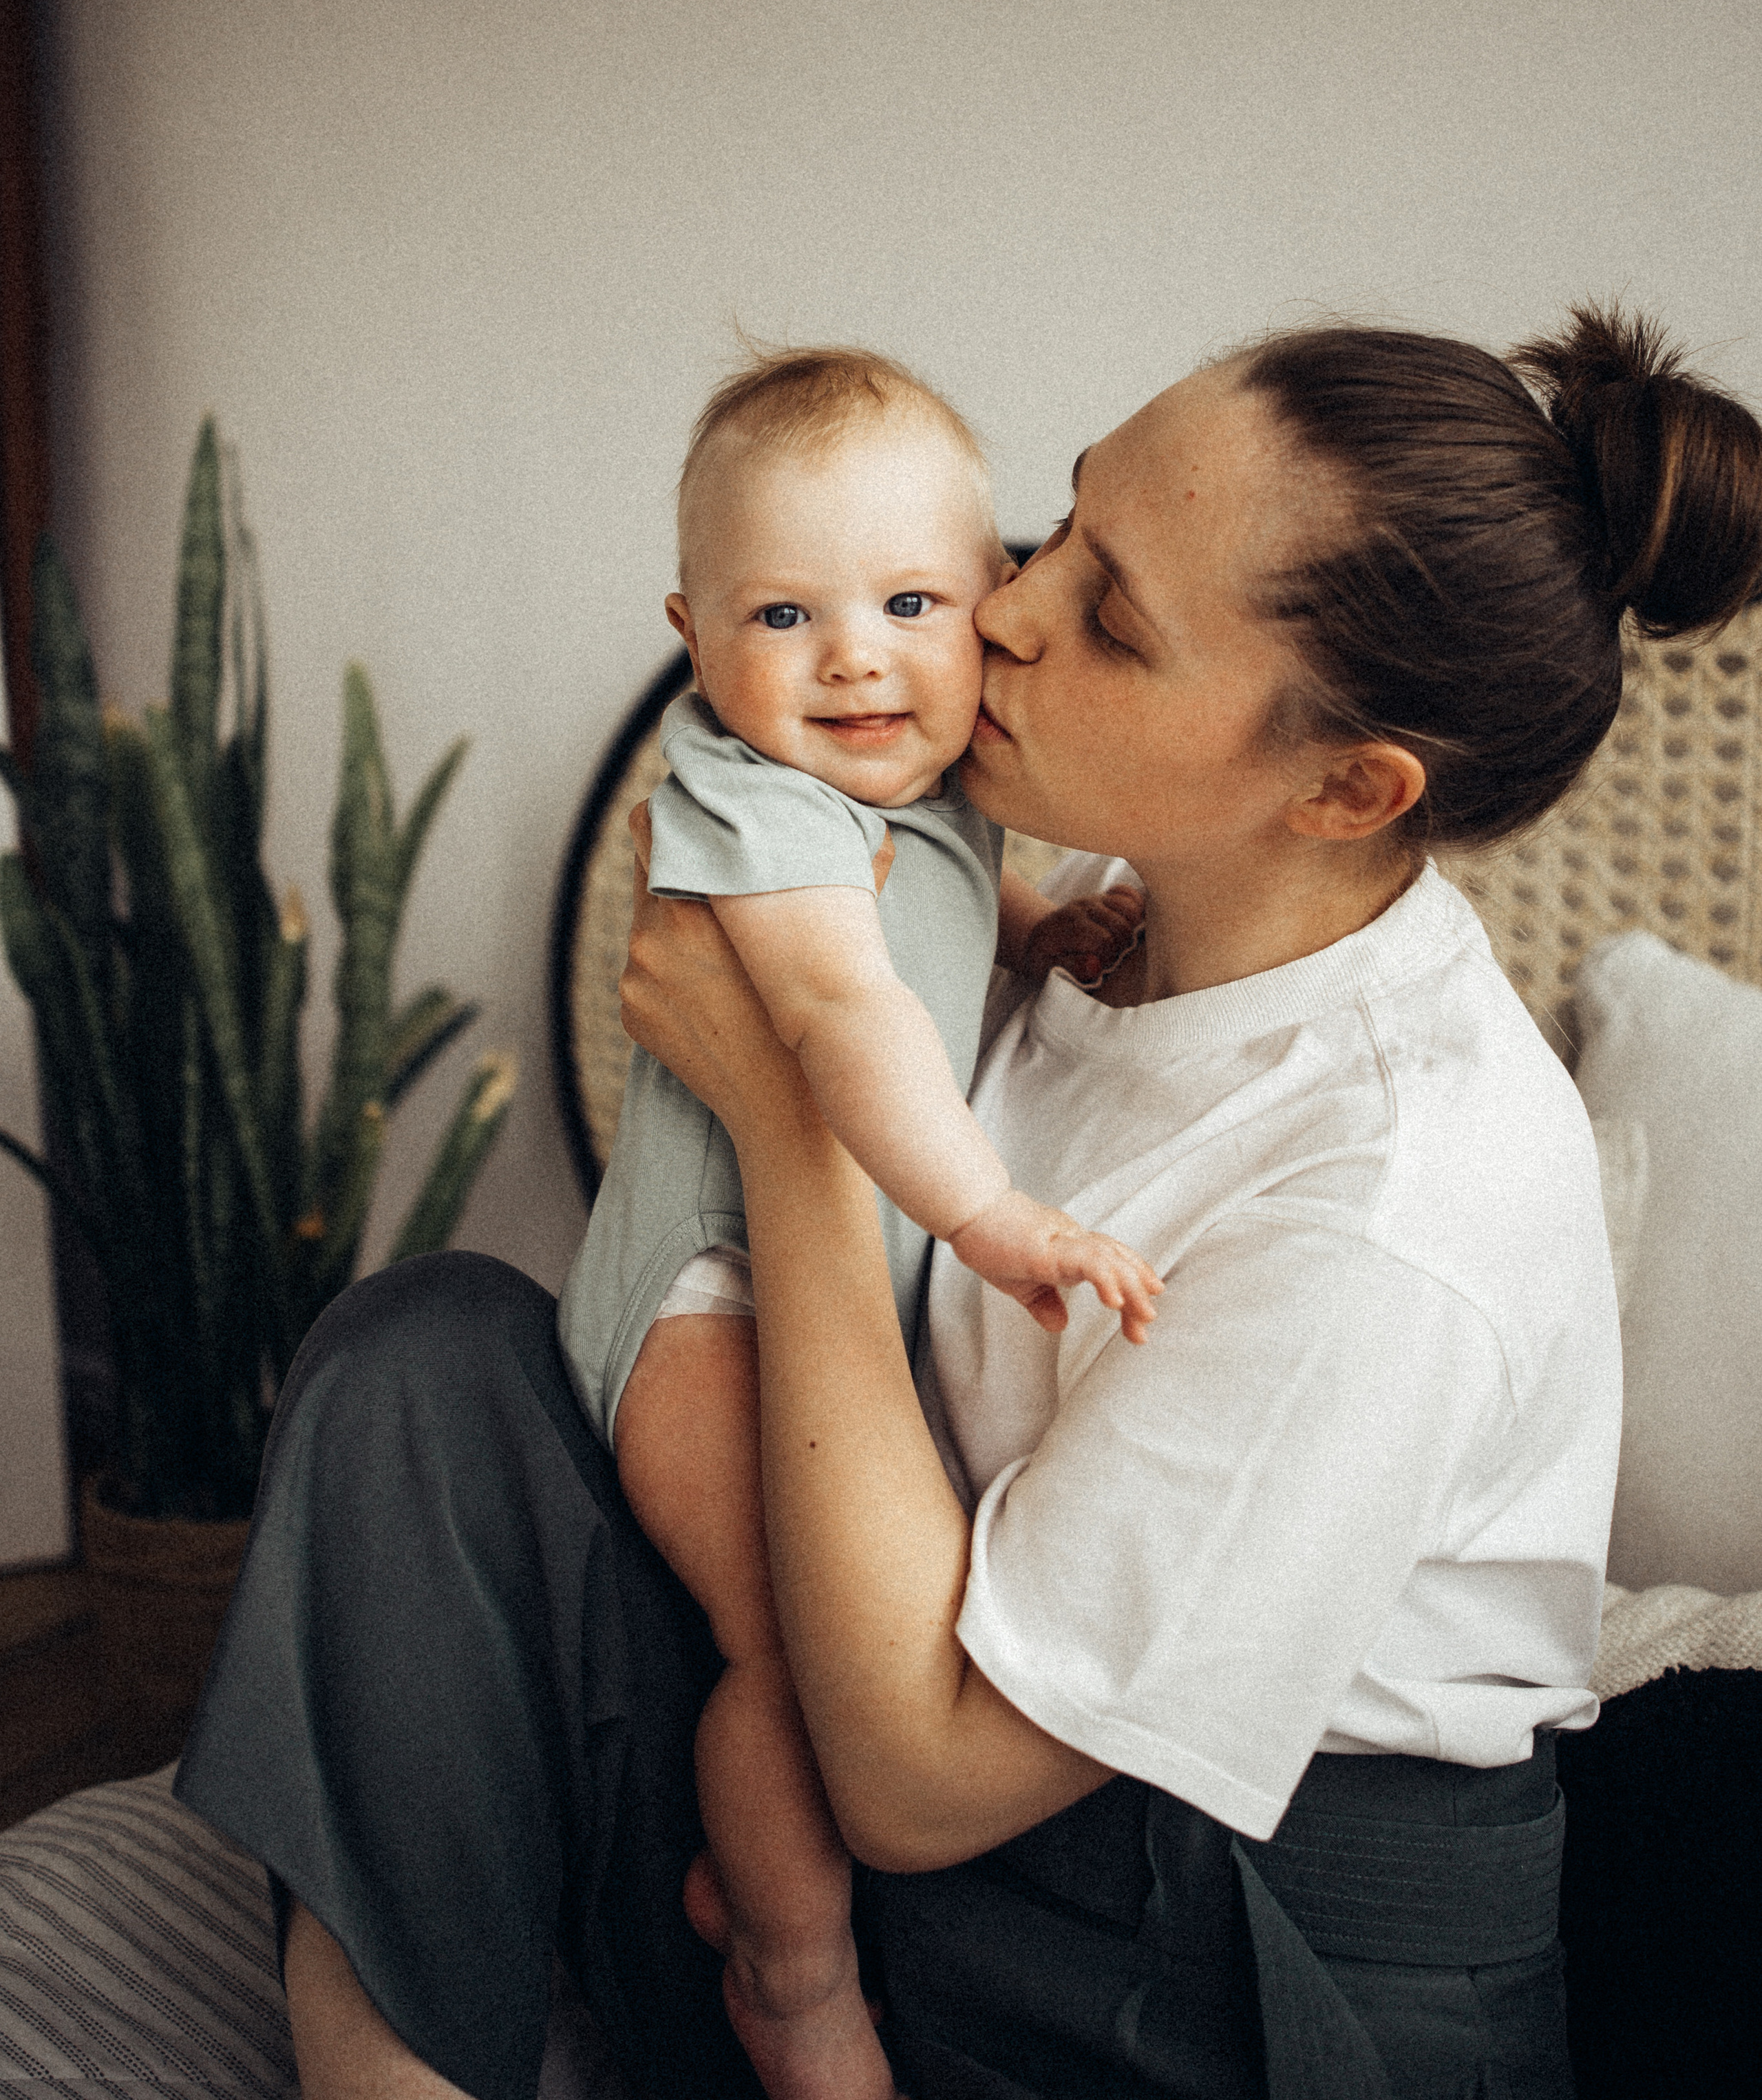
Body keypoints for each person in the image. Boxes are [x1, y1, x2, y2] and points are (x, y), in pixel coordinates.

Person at [178, 303, 1762, 2100]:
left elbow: (919, 1788)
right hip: (901, 1768)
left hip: (1204, 1964)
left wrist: (796, 1133)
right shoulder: (1095, 914)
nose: (1001, 608)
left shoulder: (1389, 1211)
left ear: (1347, 786)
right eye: (1068, 525)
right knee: (425, 1358)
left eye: (1112, 616)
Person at [555, 346, 1158, 2097]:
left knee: (844, 1623)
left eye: (909, 600)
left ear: (988, 606)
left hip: (812, 1292)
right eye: (779, 616)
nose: (852, 657)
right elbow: (839, 1011)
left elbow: (973, 918)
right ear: (691, 631)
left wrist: (1039, 938)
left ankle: (732, 1871)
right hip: (700, 1303)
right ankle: (795, 1983)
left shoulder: (949, 791)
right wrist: (984, 1216)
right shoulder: (746, 798)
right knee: (788, 1651)